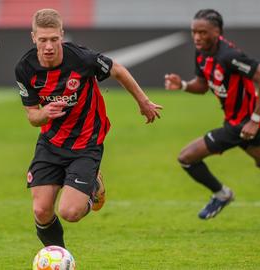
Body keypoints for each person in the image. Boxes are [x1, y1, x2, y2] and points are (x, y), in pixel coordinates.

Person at [15, 8, 162, 248]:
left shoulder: (81, 59)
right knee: (41, 210)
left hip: (86, 143)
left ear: (62, 35)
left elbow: (117, 70)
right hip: (51, 144)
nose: (49, 45)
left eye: (54, 39)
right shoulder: (25, 68)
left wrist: (143, 102)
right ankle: (59, 259)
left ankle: (93, 185)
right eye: (43, 40)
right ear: (34, 38)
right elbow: (32, 116)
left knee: (70, 212)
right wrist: (45, 113)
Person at [164, 9, 260, 230]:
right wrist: (182, 85)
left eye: (203, 32)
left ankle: (222, 194)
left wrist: (254, 120)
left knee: (186, 157)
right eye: (194, 32)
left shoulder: (229, 56)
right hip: (238, 122)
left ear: (217, 31)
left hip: (241, 124)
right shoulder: (201, 53)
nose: (197, 37)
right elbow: (202, 85)